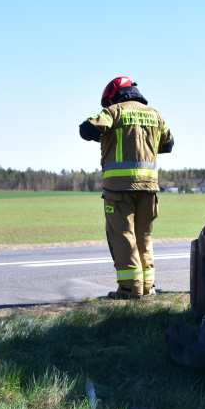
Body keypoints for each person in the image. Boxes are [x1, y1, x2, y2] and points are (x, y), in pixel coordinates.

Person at [80, 77, 174, 299]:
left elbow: (87, 129)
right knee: (144, 237)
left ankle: (130, 289)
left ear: (114, 95)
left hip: (119, 189)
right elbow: (168, 145)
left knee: (123, 235)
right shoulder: (156, 115)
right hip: (149, 189)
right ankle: (147, 288)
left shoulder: (114, 112)